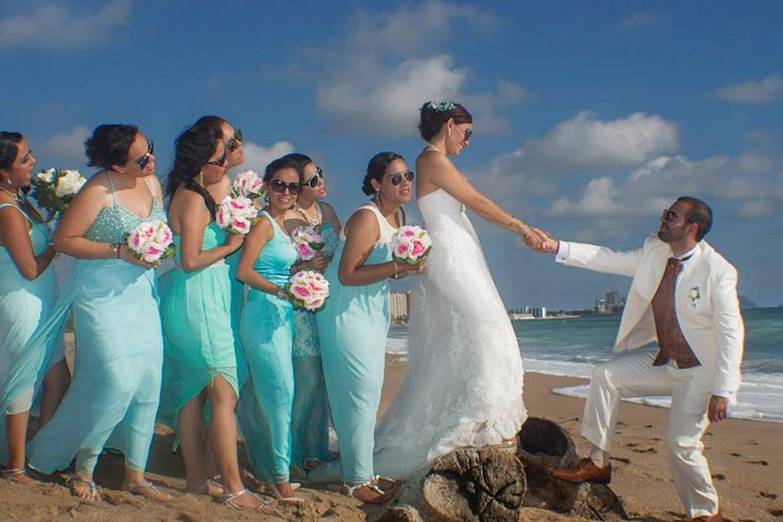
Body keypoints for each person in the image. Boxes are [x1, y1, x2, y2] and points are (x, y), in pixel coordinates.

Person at [535, 197, 742, 522]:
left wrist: (724, 390)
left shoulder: (718, 271)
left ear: (692, 227)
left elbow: (732, 332)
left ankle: (705, 514)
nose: (662, 219)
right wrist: (557, 246)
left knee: (681, 445)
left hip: (701, 372)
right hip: (666, 362)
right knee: (605, 375)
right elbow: (608, 258)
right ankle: (598, 463)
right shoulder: (655, 251)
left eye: (671, 216)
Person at [373, 101, 539, 479]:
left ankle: (477, 423)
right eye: (466, 133)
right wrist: (522, 227)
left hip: (463, 253)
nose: (468, 141)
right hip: (452, 257)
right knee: (489, 333)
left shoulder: (438, 162)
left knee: (471, 335)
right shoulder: (431, 159)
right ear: (449, 125)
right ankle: (478, 421)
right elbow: (476, 201)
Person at [24, 125, 169, 503]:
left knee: (148, 380)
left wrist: (157, 249)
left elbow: (159, 230)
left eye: (150, 148)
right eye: (142, 157)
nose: (151, 159)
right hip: (100, 295)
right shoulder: (97, 190)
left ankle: (134, 473)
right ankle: (83, 468)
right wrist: (119, 251)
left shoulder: (152, 182)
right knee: (116, 380)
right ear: (118, 165)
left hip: (141, 294)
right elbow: (64, 240)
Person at [158, 124, 271, 510]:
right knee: (223, 393)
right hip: (197, 297)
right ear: (206, 157)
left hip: (201, 296)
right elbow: (188, 261)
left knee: (192, 393)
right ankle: (234, 488)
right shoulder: (191, 198)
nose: (231, 155)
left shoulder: (196, 191)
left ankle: (195, 481)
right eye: (227, 148)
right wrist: (231, 245)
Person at [309, 152, 424, 504]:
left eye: (408, 176)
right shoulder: (366, 218)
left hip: (372, 309)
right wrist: (396, 266)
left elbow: (389, 268)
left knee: (367, 391)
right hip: (345, 310)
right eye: (395, 178)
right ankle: (356, 479)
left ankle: (357, 468)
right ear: (376, 184)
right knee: (359, 390)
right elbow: (347, 274)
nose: (405, 183)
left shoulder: (399, 215)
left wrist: (405, 268)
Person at [0, 132, 69, 483]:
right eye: (25, 159)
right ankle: (15, 466)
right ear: (4, 170)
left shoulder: (20, 198)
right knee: (23, 380)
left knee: (59, 377)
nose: (33, 162)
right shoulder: (6, 208)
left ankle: (38, 450)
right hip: (22, 300)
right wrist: (56, 245)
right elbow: (28, 268)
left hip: (44, 300)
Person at [235, 156, 305, 503]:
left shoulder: (282, 224)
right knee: (281, 394)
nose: (286, 192)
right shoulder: (263, 223)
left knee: (268, 395)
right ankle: (280, 479)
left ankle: (268, 469)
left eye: (293, 187)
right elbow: (244, 271)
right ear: (266, 186)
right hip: (263, 313)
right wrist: (282, 290)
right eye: (279, 184)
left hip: (281, 315)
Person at [283, 153, 341, 476]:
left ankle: (315, 450)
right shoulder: (285, 216)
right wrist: (303, 267)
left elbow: (344, 253)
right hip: (299, 309)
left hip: (328, 305)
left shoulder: (328, 211)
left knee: (323, 380)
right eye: (312, 179)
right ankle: (288, 454)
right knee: (304, 382)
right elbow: (275, 263)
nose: (321, 181)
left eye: (319, 173)